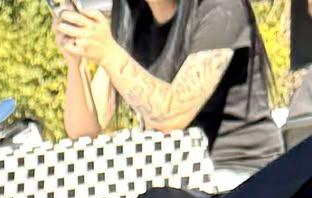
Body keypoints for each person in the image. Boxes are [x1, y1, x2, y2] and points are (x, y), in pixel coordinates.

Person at [56, 0, 285, 186]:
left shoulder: (221, 8)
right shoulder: (134, 19)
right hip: (178, 177)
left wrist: (107, 52)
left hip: (240, 173)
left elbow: (172, 116)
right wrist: (76, 63)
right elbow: (84, 132)